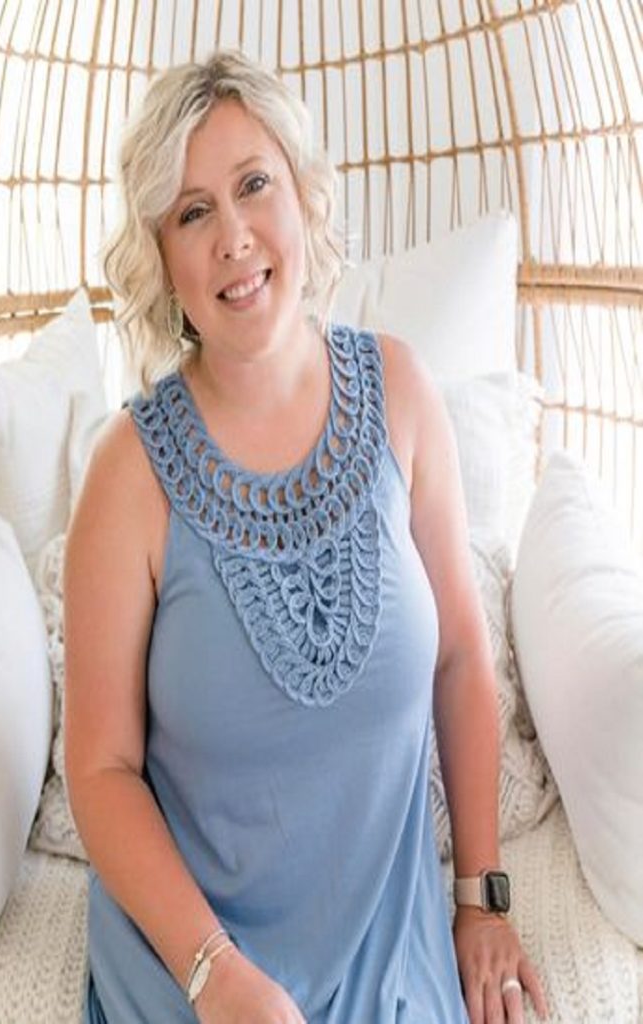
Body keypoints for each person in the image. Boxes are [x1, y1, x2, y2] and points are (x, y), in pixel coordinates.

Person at [64, 49, 549, 1024]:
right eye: (192, 212)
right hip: (192, 963)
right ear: (161, 256)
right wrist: (218, 978)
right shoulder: (127, 473)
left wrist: (479, 894)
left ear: (305, 197)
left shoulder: (404, 394)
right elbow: (100, 768)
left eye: (254, 186)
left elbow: (460, 655)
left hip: (389, 943)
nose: (234, 238)